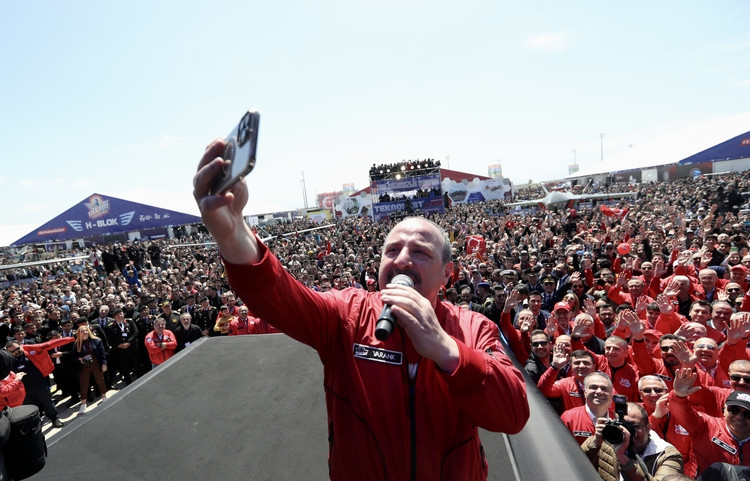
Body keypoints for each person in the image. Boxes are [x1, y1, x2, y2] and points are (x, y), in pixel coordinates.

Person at [193, 139, 529, 481]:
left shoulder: (473, 329)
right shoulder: (347, 315)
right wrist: (232, 231)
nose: (401, 260)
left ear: (447, 274)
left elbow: (513, 414)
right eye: (392, 249)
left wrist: (446, 349)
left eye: (421, 252)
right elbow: (276, 294)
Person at [670, 367, 750, 474]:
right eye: (734, 410)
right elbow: (682, 413)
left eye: (747, 413)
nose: (739, 416)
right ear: (724, 410)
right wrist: (679, 396)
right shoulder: (706, 426)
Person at [6, 337, 73, 428]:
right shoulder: (8, 360)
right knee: (31, 407)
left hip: (39, 383)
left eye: (17, 349)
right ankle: (37, 422)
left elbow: (50, 344)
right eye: (13, 351)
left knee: (47, 402)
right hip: (24, 388)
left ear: (21, 345)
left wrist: (71, 339)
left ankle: (54, 419)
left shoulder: (31, 350)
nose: (16, 352)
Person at [74, 324, 109, 414]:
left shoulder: (96, 340)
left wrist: (104, 363)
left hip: (96, 363)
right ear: (79, 333)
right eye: (82, 331)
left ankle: (104, 396)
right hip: (84, 366)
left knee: (100, 380)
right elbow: (73, 356)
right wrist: (80, 359)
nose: (85, 332)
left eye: (86, 330)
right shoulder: (77, 343)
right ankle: (83, 403)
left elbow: (102, 353)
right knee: (84, 384)